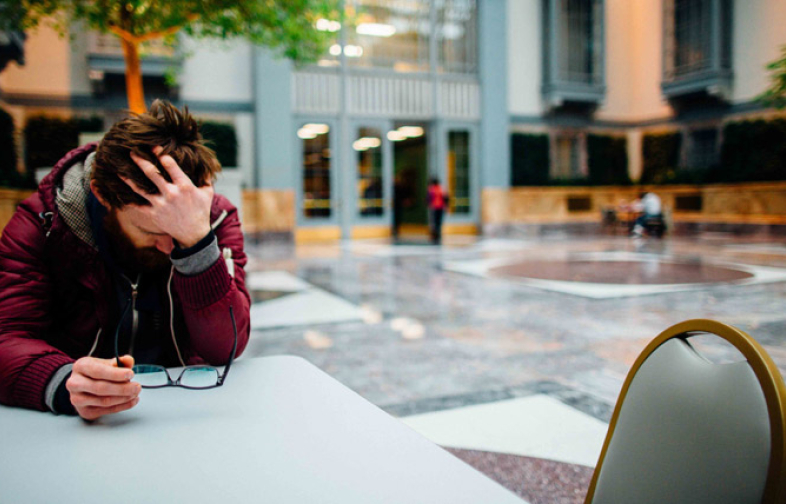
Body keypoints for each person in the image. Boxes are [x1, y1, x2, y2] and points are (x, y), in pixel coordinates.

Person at [0, 100, 251, 420]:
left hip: (184, 412)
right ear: (102, 195)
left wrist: (198, 245)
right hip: (79, 426)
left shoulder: (215, 219)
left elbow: (225, 347)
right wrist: (62, 382)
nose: (168, 247)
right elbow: (7, 337)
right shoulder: (43, 222)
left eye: (179, 231)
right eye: (151, 229)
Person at [426, 178, 449, 244]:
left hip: (434, 207)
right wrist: (446, 206)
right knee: (438, 221)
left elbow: (428, 198)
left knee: (434, 221)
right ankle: (438, 234)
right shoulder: (441, 189)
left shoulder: (431, 189)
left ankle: (434, 235)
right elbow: (446, 198)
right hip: (440, 207)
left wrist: (429, 204)